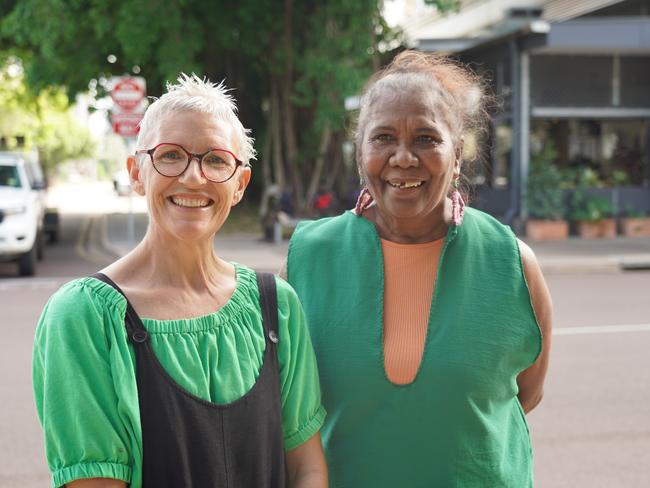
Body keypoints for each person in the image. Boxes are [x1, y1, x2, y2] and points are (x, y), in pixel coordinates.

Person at [33, 74, 327, 488]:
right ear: (137, 173)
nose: (193, 177)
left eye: (216, 160)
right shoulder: (84, 318)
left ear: (240, 184)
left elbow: (307, 469)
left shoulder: (275, 305)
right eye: (170, 155)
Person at [285, 51, 552, 487]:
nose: (403, 157)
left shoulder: (512, 263)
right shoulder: (307, 258)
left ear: (457, 155)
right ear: (360, 154)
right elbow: (288, 408)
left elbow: (527, 393)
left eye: (426, 138)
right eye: (383, 137)